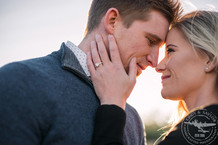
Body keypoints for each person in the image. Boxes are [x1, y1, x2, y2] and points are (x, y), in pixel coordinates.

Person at [0, 0, 182, 145]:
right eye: (150, 41)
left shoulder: (132, 120)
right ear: (113, 21)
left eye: (161, 48)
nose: (154, 61)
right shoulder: (19, 81)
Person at [88, 10, 218, 145]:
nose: (158, 66)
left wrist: (112, 101)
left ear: (209, 59)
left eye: (171, 51)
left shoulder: (203, 128)